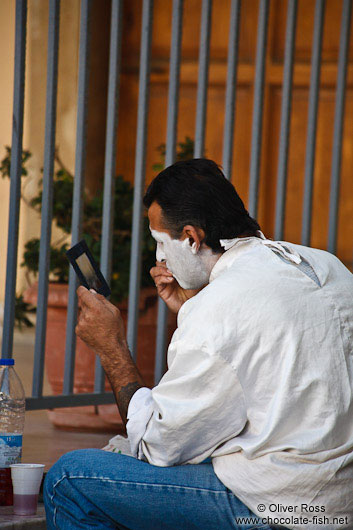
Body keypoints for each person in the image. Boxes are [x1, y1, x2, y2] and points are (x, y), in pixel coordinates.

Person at [44, 159, 353, 530]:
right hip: (340, 499)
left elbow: (158, 445)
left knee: (70, 478)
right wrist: (194, 308)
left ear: (191, 237)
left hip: (283, 508)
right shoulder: (325, 264)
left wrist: (113, 348)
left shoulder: (219, 309)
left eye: (160, 242)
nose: (159, 258)